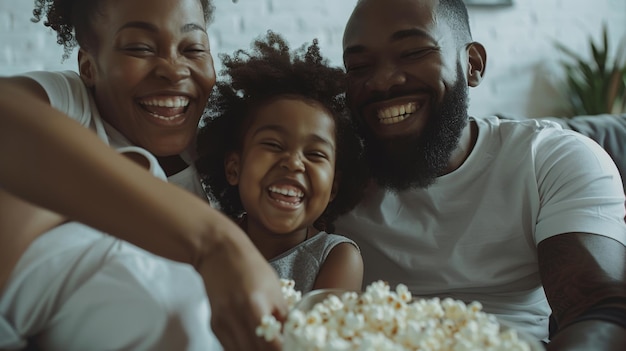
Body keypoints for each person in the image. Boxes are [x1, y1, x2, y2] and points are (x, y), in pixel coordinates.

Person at [334, 0, 626, 349]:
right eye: (359, 65)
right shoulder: (327, 175)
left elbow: (599, 307)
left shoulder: (548, 159)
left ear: (472, 64)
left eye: (412, 52)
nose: (382, 81)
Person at [0, 0, 287, 350]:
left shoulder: (217, 161)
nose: (173, 69)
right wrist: (214, 242)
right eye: (139, 47)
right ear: (89, 66)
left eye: (193, 48)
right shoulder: (71, 104)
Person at [196, 32, 366, 294]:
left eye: (315, 154)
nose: (294, 163)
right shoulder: (207, 240)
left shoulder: (337, 257)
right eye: (274, 145)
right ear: (234, 168)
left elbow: (315, 335)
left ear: (333, 187)